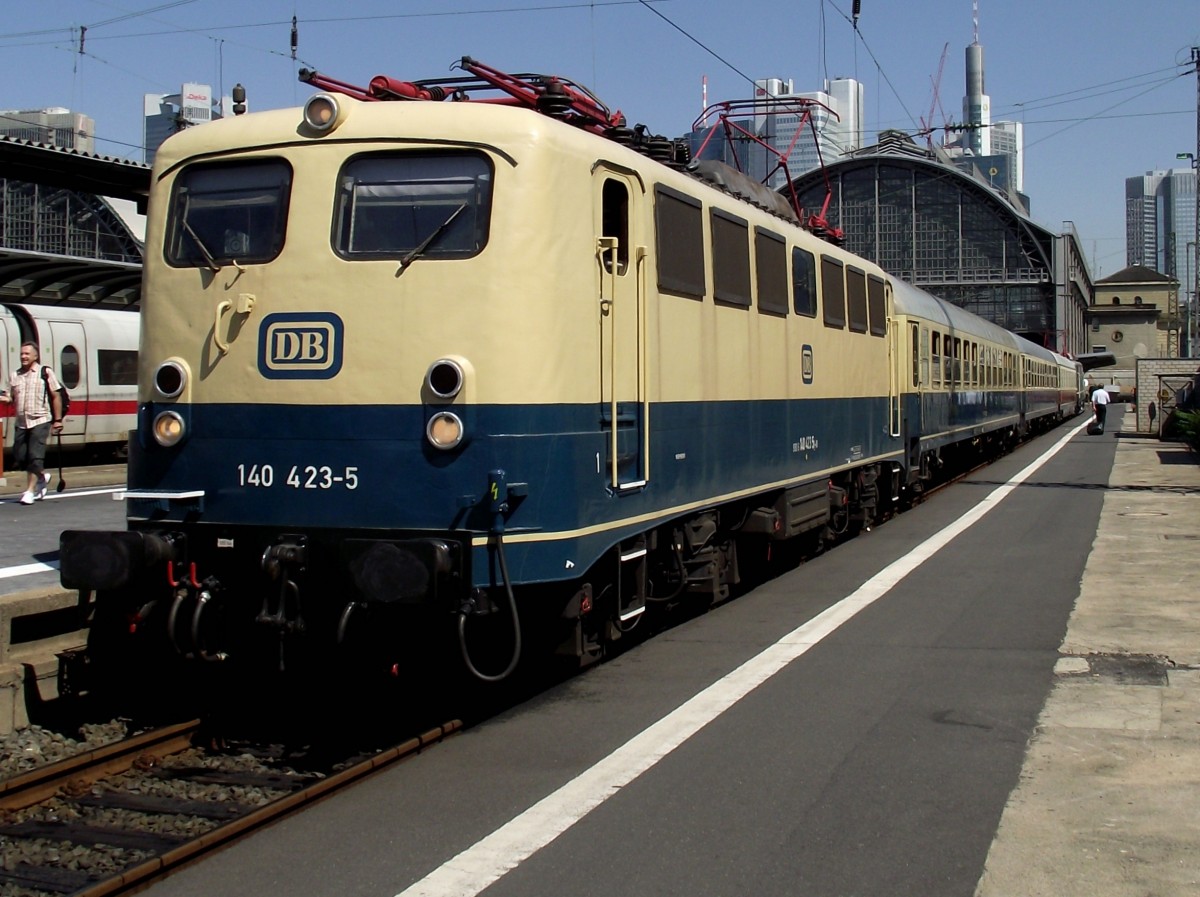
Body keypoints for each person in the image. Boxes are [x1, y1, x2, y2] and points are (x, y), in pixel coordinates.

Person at [0, 342, 64, 505]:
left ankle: (29, 491)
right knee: (20, 455)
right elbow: (10, 398)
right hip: (21, 422)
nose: (23, 356)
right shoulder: (15, 375)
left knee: (34, 457)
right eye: (22, 354)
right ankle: (42, 476)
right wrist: (4, 399)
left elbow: (56, 396)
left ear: (35, 356)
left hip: (41, 420)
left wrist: (57, 420)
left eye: (27, 354)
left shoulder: (45, 373)